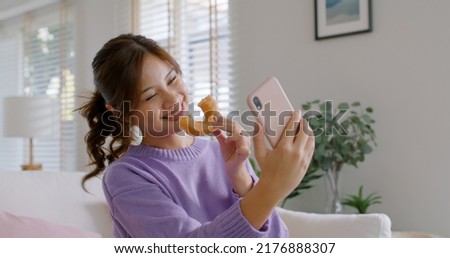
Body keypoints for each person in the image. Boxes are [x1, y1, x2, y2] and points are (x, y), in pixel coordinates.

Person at [78, 34, 315, 238]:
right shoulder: (126, 176)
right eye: (151, 96)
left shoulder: (223, 153)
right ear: (120, 111)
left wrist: (243, 181)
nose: (173, 99)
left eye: (172, 79)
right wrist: (270, 187)